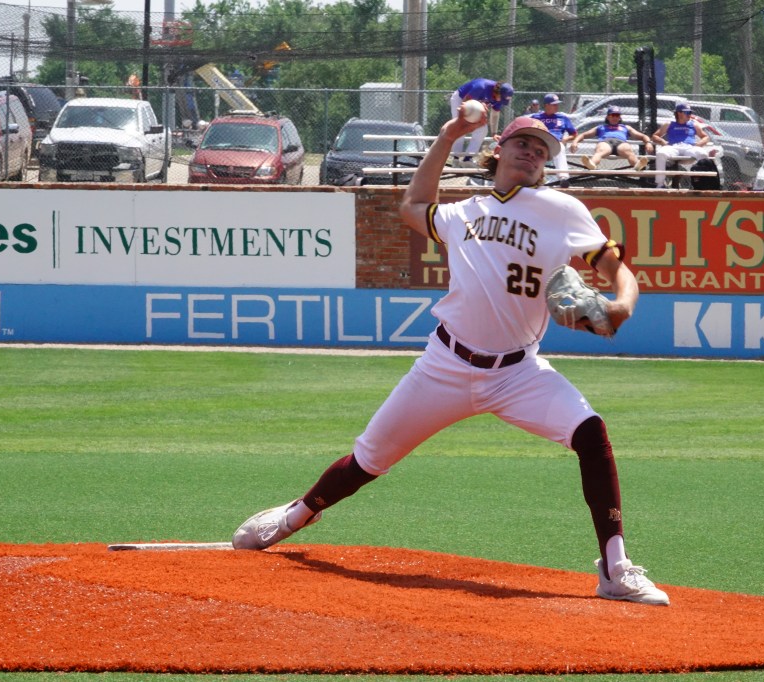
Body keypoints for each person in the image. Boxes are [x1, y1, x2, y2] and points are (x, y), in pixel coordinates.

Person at [231, 111, 670, 607]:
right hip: (445, 365)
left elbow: (616, 267)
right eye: (523, 143)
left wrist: (622, 304)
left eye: (541, 150)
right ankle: (295, 516)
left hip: (519, 372)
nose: (532, 153)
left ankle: (615, 569)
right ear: (498, 150)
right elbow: (413, 205)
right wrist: (448, 135)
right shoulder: (465, 212)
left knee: (591, 432)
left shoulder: (562, 210)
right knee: (367, 461)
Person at [651, 102, 716, 189]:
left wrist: (699, 144)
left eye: (690, 112)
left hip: (689, 147)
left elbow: (706, 137)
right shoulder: (669, 124)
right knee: (661, 154)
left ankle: (703, 184)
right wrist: (663, 142)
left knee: (703, 154)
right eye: (687, 112)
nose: (690, 115)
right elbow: (655, 136)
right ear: (679, 113)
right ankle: (660, 184)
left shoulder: (694, 124)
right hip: (673, 147)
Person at [569, 106, 653, 173]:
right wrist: (575, 142)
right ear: (608, 117)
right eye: (612, 115)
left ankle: (638, 165)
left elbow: (643, 136)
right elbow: (583, 135)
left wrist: (648, 143)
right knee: (600, 150)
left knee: (628, 150)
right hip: (606, 142)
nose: (615, 117)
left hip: (620, 142)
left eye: (617, 115)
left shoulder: (626, 127)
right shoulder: (601, 127)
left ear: (619, 118)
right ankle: (591, 164)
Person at [449, 78, 515, 161]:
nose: (501, 101)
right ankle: (456, 158)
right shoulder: (481, 87)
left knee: (482, 130)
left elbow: (495, 114)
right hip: (460, 99)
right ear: (497, 92)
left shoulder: (499, 97)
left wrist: (494, 133)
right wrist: (480, 105)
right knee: (460, 127)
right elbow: (465, 102)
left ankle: (468, 158)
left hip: (475, 107)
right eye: (502, 98)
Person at [530, 93, 577, 188]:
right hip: (541, 143)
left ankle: (563, 178)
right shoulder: (536, 117)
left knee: (561, 148)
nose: (557, 106)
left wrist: (566, 139)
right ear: (546, 105)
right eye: (554, 104)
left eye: (557, 104)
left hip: (556, 143)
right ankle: (530, 177)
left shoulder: (562, 117)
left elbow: (574, 134)